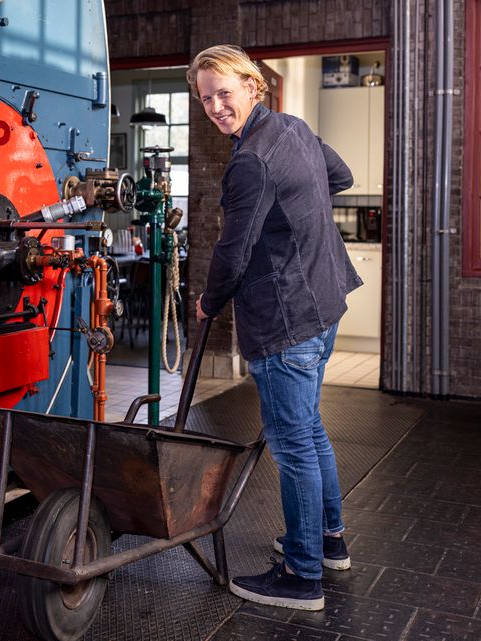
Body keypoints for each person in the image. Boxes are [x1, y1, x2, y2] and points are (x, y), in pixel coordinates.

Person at [186, 45, 362, 611]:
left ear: (252, 86)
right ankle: (328, 543)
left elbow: (232, 252)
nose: (215, 106)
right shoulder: (294, 128)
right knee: (309, 433)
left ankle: (301, 575)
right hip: (324, 304)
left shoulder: (250, 160)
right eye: (205, 97)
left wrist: (209, 303)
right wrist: (295, 209)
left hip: (286, 320)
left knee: (293, 448)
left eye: (224, 92)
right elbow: (340, 175)